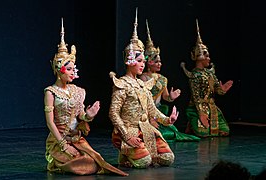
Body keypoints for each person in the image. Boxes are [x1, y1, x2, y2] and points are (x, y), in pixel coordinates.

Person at [43, 19, 128, 176]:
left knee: (95, 160)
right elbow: (49, 122)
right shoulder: (51, 92)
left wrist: (88, 116)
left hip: (76, 138)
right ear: (58, 70)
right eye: (68, 69)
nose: (72, 72)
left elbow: (80, 115)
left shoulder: (78, 91)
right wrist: (63, 144)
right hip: (59, 139)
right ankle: (56, 161)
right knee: (83, 164)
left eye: (73, 69)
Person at [109, 9, 179, 169]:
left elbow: (152, 110)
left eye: (143, 61)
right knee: (144, 162)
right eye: (139, 60)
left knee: (168, 158)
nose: (142, 64)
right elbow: (113, 113)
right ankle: (126, 153)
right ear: (129, 61)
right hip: (129, 129)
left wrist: (168, 120)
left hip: (146, 129)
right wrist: (126, 135)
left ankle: (141, 150)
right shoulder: (121, 84)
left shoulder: (143, 85)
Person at [140, 20, 200, 143]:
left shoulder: (163, 79)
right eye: (156, 61)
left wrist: (171, 97)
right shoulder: (143, 78)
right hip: (146, 112)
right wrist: (150, 118)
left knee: (171, 133)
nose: (159, 64)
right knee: (162, 135)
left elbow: (165, 97)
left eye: (160, 62)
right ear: (148, 63)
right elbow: (143, 101)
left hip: (159, 111)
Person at [181, 19, 233, 138]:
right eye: (207, 56)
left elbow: (217, 90)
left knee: (225, 131)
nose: (209, 58)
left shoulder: (210, 73)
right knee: (203, 134)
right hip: (197, 108)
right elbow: (196, 96)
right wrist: (201, 113)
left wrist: (223, 89)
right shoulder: (195, 75)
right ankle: (192, 124)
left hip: (211, 107)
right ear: (200, 58)